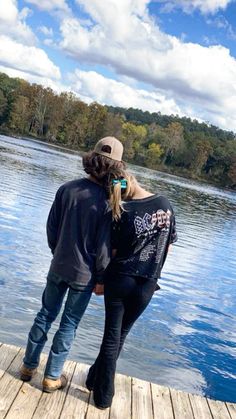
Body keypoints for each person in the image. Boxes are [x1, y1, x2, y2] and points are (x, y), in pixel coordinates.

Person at [20, 136, 126, 393]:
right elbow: (103, 249)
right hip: (84, 275)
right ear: (117, 168)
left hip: (58, 266)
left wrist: (58, 253)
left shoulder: (66, 188)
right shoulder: (108, 201)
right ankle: (52, 377)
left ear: (91, 159)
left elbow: (51, 228)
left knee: (45, 314)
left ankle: (27, 366)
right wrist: (101, 278)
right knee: (69, 324)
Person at [86, 173, 178, 409]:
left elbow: (112, 253)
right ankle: (94, 379)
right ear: (133, 179)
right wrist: (153, 272)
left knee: (111, 337)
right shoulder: (165, 205)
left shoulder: (121, 212)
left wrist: (100, 280)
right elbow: (167, 246)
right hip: (146, 284)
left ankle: (103, 397)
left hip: (120, 280)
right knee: (121, 335)